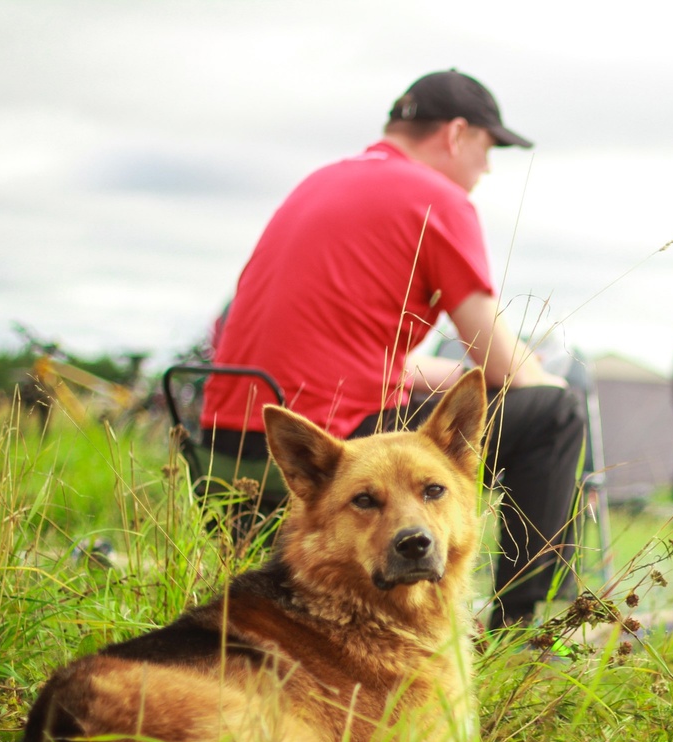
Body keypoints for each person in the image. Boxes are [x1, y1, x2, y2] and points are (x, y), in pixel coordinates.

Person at [199, 70, 585, 631]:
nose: (489, 167)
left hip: (225, 444)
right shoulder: (438, 199)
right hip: (333, 446)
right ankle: (527, 630)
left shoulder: (323, 181)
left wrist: (451, 373)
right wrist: (547, 381)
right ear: (456, 134)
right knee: (555, 414)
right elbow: (504, 364)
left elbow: (346, 348)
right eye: (487, 146)